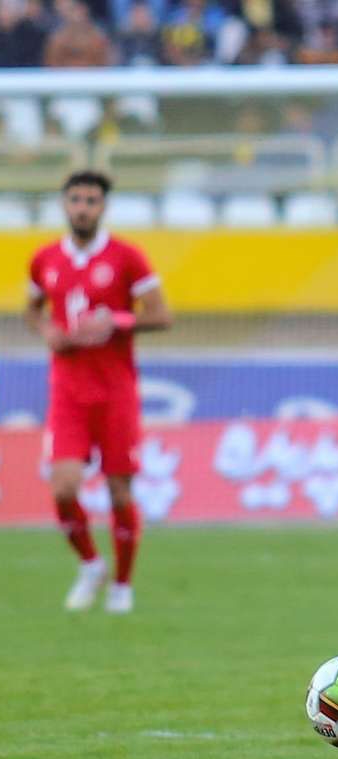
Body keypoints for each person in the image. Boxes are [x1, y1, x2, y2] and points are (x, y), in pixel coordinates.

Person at [25, 170, 173, 614]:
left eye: (91, 200)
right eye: (75, 199)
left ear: (103, 206)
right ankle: (91, 564)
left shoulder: (127, 257)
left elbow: (162, 315)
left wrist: (119, 322)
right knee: (64, 487)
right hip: (67, 391)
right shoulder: (45, 259)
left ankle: (122, 586)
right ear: (64, 204)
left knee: (119, 492)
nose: (82, 207)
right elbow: (31, 308)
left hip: (115, 391)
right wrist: (48, 329)